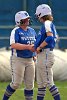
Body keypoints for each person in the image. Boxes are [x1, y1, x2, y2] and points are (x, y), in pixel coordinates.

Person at [2, 11, 36, 100]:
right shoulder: (16, 31)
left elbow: (34, 44)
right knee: (16, 84)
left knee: (30, 84)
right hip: (18, 59)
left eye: (28, 18)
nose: (28, 20)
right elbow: (13, 45)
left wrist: (34, 54)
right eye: (25, 19)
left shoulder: (32, 31)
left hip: (30, 60)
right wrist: (28, 47)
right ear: (19, 21)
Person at [34, 4, 61, 100]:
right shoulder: (48, 24)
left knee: (49, 83)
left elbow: (49, 37)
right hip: (43, 54)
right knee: (41, 84)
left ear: (42, 14)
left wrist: (39, 47)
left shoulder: (47, 23)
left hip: (45, 54)